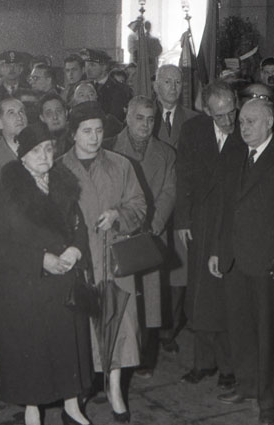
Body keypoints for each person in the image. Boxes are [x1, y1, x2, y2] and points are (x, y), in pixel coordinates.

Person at [209, 99, 274, 425]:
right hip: (234, 258)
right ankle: (247, 386)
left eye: (251, 121)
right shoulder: (235, 153)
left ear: (269, 122)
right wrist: (217, 250)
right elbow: (224, 206)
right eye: (241, 122)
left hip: (269, 262)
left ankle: (268, 402)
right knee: (240, 328)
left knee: (268, 335)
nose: (244, 127)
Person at [0, 121, 93, 425]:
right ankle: (32, 409)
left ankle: (72, 406)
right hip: (25, 285)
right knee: (31, 350)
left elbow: (79, 227)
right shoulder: (2, 192)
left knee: (67, 346)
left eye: (48, 149)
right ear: (22, 157)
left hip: (63, 282)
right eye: (36, 151)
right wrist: (40, 259)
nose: (45, 156)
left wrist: (75, 251)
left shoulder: (63, 183)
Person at [59, 102, 146, 423]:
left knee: (118, 325)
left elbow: (139, 205)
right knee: (79, 330)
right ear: (73, 133)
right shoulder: (58, 168)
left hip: (113, 259)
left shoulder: (121, 165)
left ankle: (115, 388)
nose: (94, 137)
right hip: (79, 263)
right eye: (86, 131)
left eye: (98, 130)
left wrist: (118, 215)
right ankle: (77, 391)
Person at [175, 81, 239, 389]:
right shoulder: (193, 130)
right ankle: (203, 362)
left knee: (226, 296)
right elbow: (183, 175)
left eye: (231, 112)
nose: (228, 121)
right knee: (200, 295)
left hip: (232, 223)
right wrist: (183, 219)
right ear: (207, 112)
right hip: (200, 221)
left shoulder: (248, 128)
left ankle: (229, 367)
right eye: (220, 115)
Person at [109, 96, 174, 379]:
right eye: (139, 118)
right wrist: (125, 222)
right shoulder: (109, 146)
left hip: (150, 235)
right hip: (119, 235)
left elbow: (169, 193)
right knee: (120, 300)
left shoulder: (167, 154)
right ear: (127, 117)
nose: (145, 125)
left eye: (150, 119)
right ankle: (116, 358)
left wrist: (152, 225)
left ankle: (145, 358)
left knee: (149, 300)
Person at [152, 64, 199, 356]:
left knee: (179, 272)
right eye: (167, 81)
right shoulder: (143, 115)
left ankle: (169, 329)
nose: (173, 87)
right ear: (155, 85)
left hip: (183, 206)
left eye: (178, 82)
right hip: (152, 205)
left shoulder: (195, 120)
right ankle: (150, 328)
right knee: (151, 269)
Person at [79, 48, 132, 122]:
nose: (88, 69)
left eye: (92, 65)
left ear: (104, 67)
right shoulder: (86, 86)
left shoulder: (118, 89)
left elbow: (115, 119)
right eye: (86, 65)